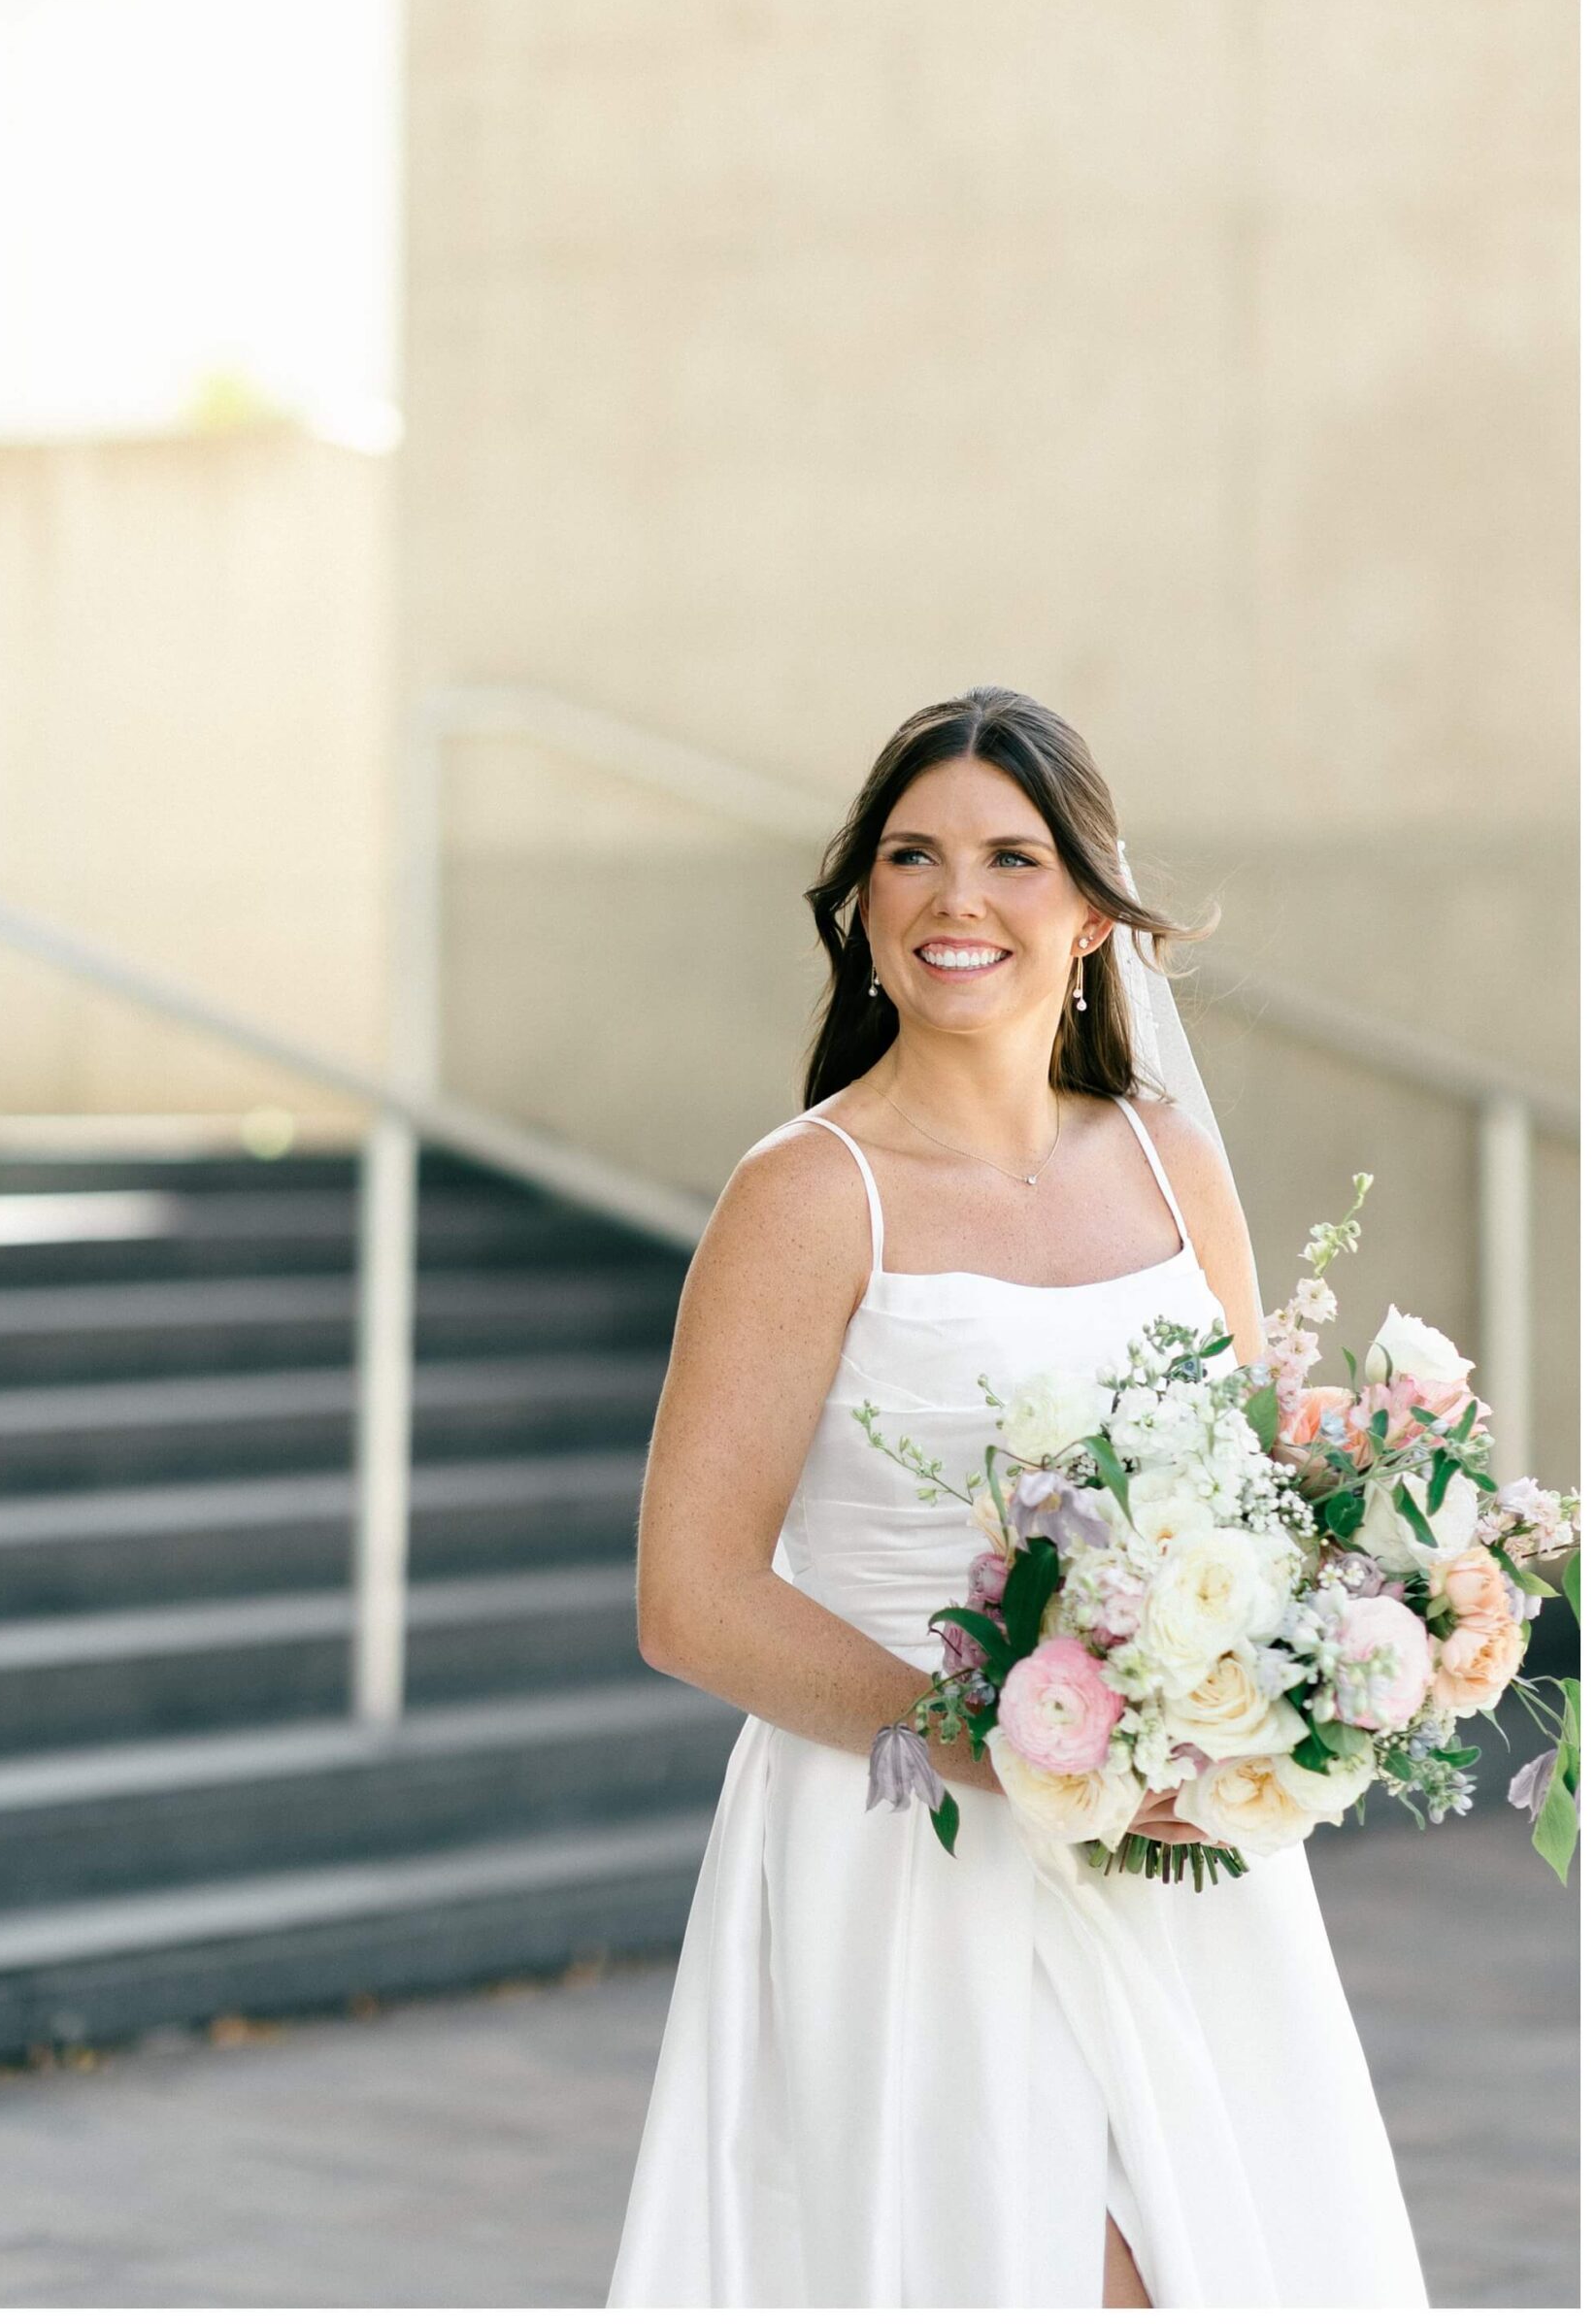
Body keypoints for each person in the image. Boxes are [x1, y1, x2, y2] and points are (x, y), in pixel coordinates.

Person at [606, 688, 1428, 2308]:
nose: (953, 899)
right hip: (912, 1852)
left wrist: (1308, 1664)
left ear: (1091, 906)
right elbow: (689, 1599)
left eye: (1009, 857)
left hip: (1174, 1858)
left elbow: (1247, 1504)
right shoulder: (805, 1194)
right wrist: (1008, 1743)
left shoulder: (1166, 1155)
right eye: (910, 856)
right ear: (861, 909)